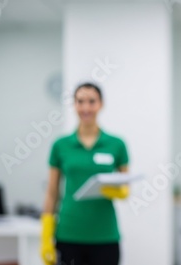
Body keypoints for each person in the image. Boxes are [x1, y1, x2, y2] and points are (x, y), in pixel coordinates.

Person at [40, 82, 130, 265]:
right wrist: (45, 235)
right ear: (74, 105)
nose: (86, 107)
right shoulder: (60, 145)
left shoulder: (116, 144)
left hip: (105, 235)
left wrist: (121, 191)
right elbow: (52, 192)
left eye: (91, 101)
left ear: (101, 104)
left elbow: (125, 182)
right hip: (68, 233)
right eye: (80, 101)